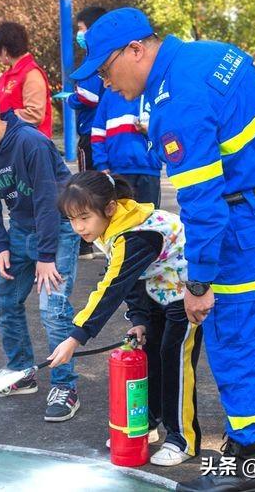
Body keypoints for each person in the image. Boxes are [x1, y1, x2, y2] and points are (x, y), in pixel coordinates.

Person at [74, 8, 255, 491]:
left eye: (104, 69)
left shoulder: (174, 105)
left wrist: (198, 282)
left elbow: (202, 205)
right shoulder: (212, 54)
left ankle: (247, 455)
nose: (104, 83)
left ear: (135, 50)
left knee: (232, 333)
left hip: (237, 224)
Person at [0, 77, 80, 422]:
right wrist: (1, 246)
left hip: (57, 229)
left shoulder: (30, 143)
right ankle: (22, 372)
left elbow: (49, 203)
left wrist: (47, 257)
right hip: (21, 231)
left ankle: (66, 386)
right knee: (4, 300)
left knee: (53, 308)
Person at [48, 171, 202, 466]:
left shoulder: (136, 234)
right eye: (71, 219)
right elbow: (130, 278)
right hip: (159, 291)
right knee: (152, 358)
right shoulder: (113, 225)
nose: (78, 227)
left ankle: (183, 439)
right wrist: (139, 318)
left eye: (83, 217)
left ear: (108, 208)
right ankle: (150, 423)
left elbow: (111, 288)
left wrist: (75, 337)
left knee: (174, 362)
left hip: (187, 294)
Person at [68, 6, 107, 260]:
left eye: (81, 30)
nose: (79, 35)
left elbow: (89, 96)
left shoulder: (96, 58)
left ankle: (88, 243)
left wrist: (71, 98)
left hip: (93, 134)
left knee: (88, 188)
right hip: (102, 134)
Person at [91, 90, 161, 207]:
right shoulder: (109, 95)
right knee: (121, 218)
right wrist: (101, 164)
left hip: (149, 169)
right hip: (118, 170)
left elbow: (166, 131)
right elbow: (98, 132)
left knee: (150, 218)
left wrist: (149, 130)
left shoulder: (153, 91)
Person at [0, 22, 52, 138]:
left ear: (4, 50)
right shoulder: (8, 74)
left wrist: (1, 119)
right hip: (11, 141)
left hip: (29, 144)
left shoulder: (32, 74)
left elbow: (35, 115)